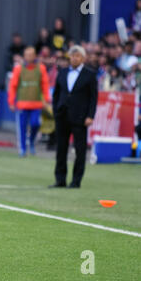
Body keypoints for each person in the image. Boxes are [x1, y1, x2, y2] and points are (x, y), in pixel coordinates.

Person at [49, 45, 98, 189]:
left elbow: (93, 98)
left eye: (77, 56)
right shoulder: (63, 72)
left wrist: (90, 115)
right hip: (62, 115)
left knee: (80, 150)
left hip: (80, 117)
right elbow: (56, 93)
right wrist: (55, 109)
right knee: (61, 149)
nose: (74, 58)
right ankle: (60, 179)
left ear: (83, 58)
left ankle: (76, 181)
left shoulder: (89, 74)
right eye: (72, 56)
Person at [8, 46, 51, 156]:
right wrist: (11, 102)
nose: (29, 57)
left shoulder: (41, 68)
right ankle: (22, 149)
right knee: (21, 127)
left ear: (35, 56)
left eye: (31, 55)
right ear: (24, 56)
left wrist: (46, 99)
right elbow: (13, 86)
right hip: (22, 103)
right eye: (27, 55)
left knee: (35, 124)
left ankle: (31, 141)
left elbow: (45, 85)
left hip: (36, 103)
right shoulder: (18, 68)